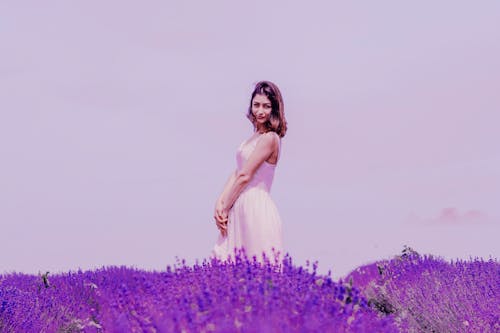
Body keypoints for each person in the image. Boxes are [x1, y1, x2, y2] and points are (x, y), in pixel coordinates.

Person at [212, 80, 287, 265]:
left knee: (259, 269)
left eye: (266, 106)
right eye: (256, 105)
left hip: (256, 208)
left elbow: (246, 175)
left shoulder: (270, 138)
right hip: (240, 204)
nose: (260, 111)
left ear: (275, 109)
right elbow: (238, 171)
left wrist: (225, 207)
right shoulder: (253, 138)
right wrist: (220, 203)